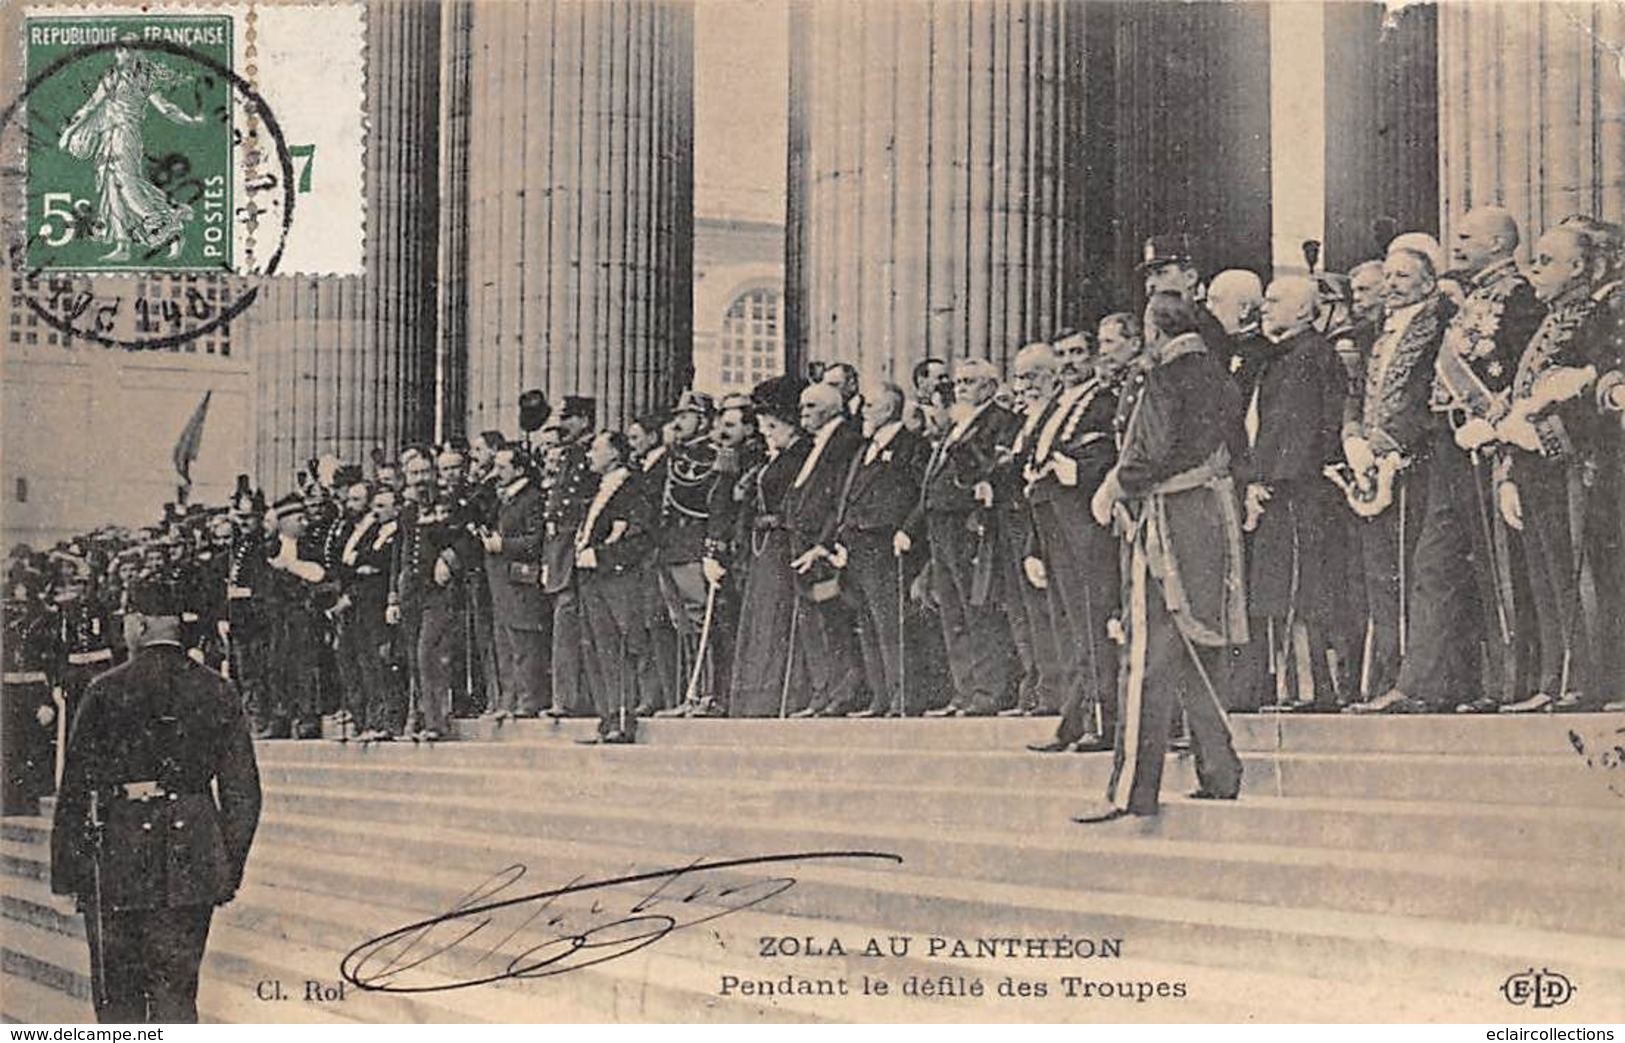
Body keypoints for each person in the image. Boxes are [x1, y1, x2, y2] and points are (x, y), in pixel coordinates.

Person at [49, 570, 261, 1023]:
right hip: (192, 859)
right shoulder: (217, 689)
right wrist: (225, 864)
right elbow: (244, 794)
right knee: (177, 997)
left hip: (118, 857)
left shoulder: (105, 689)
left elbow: (75, 788)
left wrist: (70, 872)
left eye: (128, 620)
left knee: (118, 1003)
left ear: (140, 625)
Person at [1075, 291, 1248, 823]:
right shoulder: (1219, 375)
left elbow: (1146, 455)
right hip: (1212, 519)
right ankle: (1219, 772)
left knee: (1145, 654)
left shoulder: (1163, 377)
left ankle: (1131, 790)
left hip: (1169, 522)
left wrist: (1111, 490)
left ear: (1153, 331)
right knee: (1198, 648)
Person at [1394, 208, 1546, 714]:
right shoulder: (1465, 298)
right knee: (1434, 563)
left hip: (1488, 445)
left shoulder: (1521, 298)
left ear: (1500, 243)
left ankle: (1507, 684)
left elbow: (1524, 373)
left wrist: (1496, 423)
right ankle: (1427, 684)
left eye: (1466, 236)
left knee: (1496, 564)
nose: (1455, 243)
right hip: (1449, 446)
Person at [1490, 225, 1615, 712]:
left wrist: (1543, 436)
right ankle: (1555, 678)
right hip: (1531, 464)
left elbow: (1593, 399)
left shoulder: (1594, 318)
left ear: (1578, 268)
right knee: (1544, 574)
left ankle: (1586, 680)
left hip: (1569, 466)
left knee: (1576, 574)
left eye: (1545, 262)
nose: (1533, 270)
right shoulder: (1551, 318)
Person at [1341, 247, 1454, 711]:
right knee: (1380, 577)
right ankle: (1384, 676)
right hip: (1370, 465)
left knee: (1411, 572)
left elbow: (1427, 396)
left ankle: (1413, 683)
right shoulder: (1376, 333)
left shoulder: (1435, 327)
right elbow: (1357, 392)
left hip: (1416, 465)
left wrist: (1387, 442)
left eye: (1403, 276)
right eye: (1387, 276)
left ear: (1428, 283)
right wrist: (1353, 437)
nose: (1391, 284)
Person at [1240, 275, 1350, 711]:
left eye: (1276, 300)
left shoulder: (1310, 356)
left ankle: (1312, 690)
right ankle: (1293, 688)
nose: (1265, 306)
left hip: (1296, 492)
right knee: (1281, 591)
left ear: (1305, 311)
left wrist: (1270, 480)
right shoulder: (1283, 357)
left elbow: (1301, 429)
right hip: (1279, 489)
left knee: (1302, 590)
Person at [1025, 321, 1129, 752]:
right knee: (1066, 624)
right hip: (1051, 521)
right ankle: (1073, 717)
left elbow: (1111, 456)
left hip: (1084, 522)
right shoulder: (1054, 407)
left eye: (1077, 354)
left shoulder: (1104, 401)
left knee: (1091, 617)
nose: (1069, 363)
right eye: (1062, 355)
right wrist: (1033, 547)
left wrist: (1077, 471)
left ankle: (1101, 719)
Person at [898, 358, 1020, 716]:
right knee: (951, 607)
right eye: (959, 381)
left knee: (975, 607)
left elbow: (988, 468)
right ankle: (964, 691)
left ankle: (988, 691)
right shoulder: (956, 422)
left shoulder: (996, 419)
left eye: (970, 381)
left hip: (967, 523)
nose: (961, 387)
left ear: (990, 386)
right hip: (940, 522)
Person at [830, 383, 931, 716]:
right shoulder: (864, 448)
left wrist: (908, 530)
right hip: (858, 544)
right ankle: (881, 696)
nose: (863, 411)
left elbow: (922, 494)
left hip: (887, 543)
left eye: (870, 405)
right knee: (868, 622)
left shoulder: (912, 446)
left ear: (888, 410)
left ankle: (905, 696)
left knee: (891, 623)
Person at [729, 376, 815, 717]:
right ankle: (757, 696)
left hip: (781, 544)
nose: (766, 432)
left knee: (778, 615)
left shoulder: (799, 455)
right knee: (762, 617)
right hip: (763, 547)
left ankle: (781, 692)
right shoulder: (775, 456)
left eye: (771, 425)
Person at [784, 382, 866, 716]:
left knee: (832, 619)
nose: (803, 412)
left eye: (811, 407)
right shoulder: (815, 443)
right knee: (813, 622)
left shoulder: (844, 440)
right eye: (803, 406)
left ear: (832, 409)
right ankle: (824, 691)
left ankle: (842, 690)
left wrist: (823, 542)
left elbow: (840, 497)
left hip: (824, 548)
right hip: (803, 545)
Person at [573, 431, 659, 743]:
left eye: (596, 448)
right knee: (600, 647)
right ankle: (609, 717)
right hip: (593, 578)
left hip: (618, 577)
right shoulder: (599, 488)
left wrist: (599, 555)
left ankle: (626, 717)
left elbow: (640, 539)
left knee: (625, 643)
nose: (589, 455)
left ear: (614, 454)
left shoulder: (633, 487)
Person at [483, 447, 549, 720]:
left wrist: (504, 545)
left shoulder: (531, 498)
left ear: (519, 470)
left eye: (502, 467)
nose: (495, 473)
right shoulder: (504, 499)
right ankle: (508, 701)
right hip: (502, 582)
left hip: (520, 581)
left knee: (523, 641)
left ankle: (528, 700)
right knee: (506, 642)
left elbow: (536, 540)